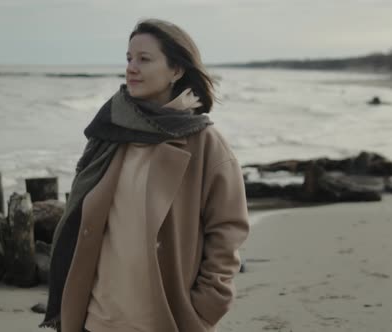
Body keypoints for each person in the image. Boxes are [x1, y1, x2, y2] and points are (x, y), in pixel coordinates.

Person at [40, 18, 249, 332]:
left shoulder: (206, 144)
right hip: (98, 317)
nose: (131, 68)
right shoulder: (110, 132)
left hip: (164, 320)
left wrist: (207, 305)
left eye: (144, 59)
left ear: (176, 70)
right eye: (129, 58)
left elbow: (228, 230)